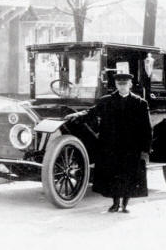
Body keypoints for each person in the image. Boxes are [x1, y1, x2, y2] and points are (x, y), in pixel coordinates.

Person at [64, 73, 152, 213]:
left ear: (130, 84)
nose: (122, 86)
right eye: (119, 84)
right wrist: (76, 115)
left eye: (125, 84)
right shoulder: (106, 101)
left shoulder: (140, 103)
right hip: (111, 146)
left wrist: (145, 150)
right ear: (116, 85)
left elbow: (146, 128)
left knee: (129, 175)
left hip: (132, 147)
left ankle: (125, 205)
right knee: (114, 175)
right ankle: (115, 204)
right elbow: (91, 112)